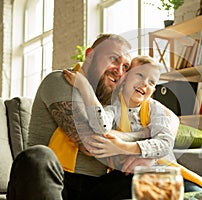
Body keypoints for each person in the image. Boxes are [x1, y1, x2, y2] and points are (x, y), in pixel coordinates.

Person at [7, 34, 164, 200]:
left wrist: (147, 156)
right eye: (113, 59)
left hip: (95, 187)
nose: (118, 70)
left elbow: (168, 123)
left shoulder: (117, 101)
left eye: (125, 67)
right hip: (53, 180)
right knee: (37, 156)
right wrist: (142, 137)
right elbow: (90, 144)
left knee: (155, 175)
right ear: (90, 55)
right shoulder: (61, 80)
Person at [62, 55, 202, 192]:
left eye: (152, 82)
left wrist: (124, 147)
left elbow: (165, 143)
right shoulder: (113, 106)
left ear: (153, 90)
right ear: (125, 78)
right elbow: (101, 128)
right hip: (126, 175)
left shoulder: (155, 109)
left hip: (163, 170)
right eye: (140, 75)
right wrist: (85, 89)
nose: (145, 83)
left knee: (197, 193)